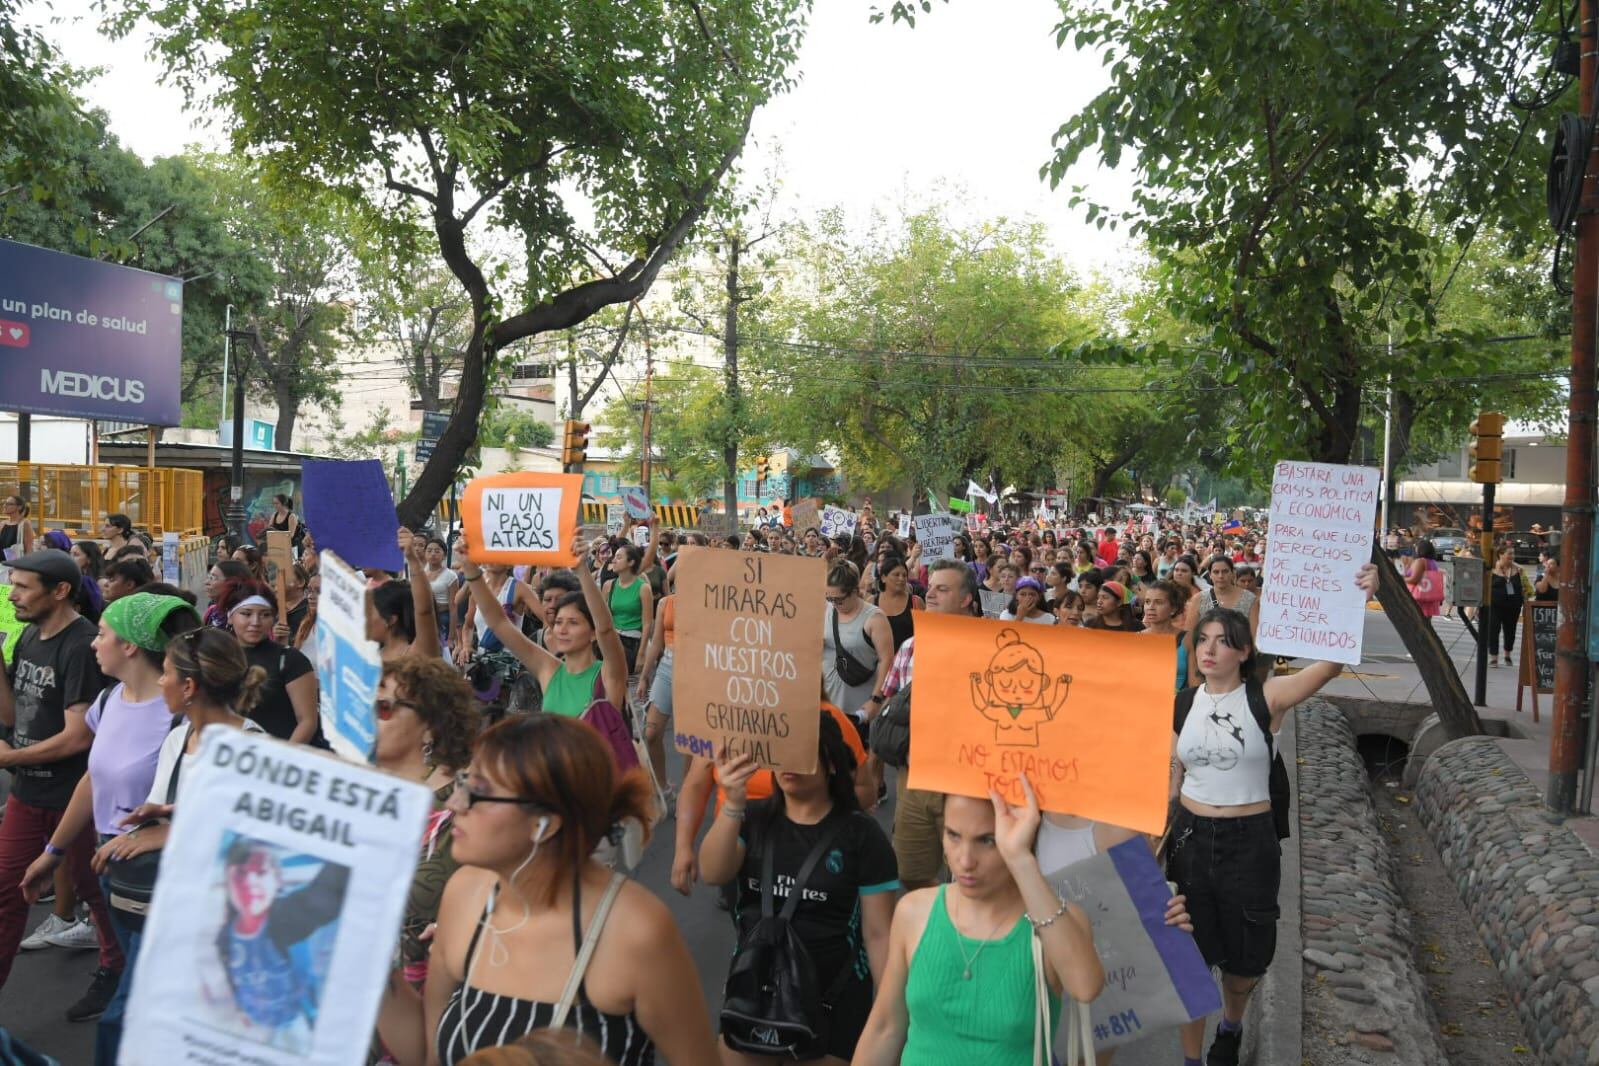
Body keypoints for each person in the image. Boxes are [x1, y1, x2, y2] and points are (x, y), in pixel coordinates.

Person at [377, 715, 718, 1066]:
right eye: (463, 781)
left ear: (544, 824)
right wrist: (370, 953)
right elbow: (428, 1053)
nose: (454, 804)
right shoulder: (464, 895)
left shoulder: (634, 930)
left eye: (479, 791)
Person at [1170, 565, 1379, 1066]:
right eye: (1204, 639)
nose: (1210, 649)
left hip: (1249, 844)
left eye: (1223, 641)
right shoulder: (1181, 705)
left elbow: (1329, 667)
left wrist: (1361, 602)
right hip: (1192, 841)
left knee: (1244, 966)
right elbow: (1172, 775)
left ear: (1245, 651)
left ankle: (1232, 1024)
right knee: (1190, 960)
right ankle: (1190, 1060)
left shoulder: (1268, 698)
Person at [19, 591, 201, 1064]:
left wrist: (149, 833)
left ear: (131, 647)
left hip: (160, 874)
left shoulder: (182, 715)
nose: (93, 643)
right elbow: (93, 780)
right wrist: (53, 853)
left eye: (102, 634)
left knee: (131, 1010)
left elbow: (213, 806)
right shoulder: (108, 699)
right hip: (111, 868)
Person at [852, 781, 1104, 1065]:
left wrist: (1020, 859)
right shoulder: (914, 912)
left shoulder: (1051, 922)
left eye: (987, 840)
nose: (965, 860)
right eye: (953, 835)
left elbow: (1085, 986)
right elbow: (885, 1027)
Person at [701, 715, 898, 1065]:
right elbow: (713, 870)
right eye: (782, 752)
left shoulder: (863, 836)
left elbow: (879, 934)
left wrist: (887, 1020)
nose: (789, 763)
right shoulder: (753, 817)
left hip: (832, 1001)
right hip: (753, 993)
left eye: (802, 753)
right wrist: (732, 803)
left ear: (832, 763)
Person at [0, 550, 122, 1018]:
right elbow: (15, 717)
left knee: (98, 895)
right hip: (27, 795)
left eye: (22, 586)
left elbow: (77, 738)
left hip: (77, 798)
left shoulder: (82, 646)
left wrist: (9, 757)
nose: (13, 594)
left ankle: (116, 972)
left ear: (61, 591)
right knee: (8, 894)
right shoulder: (30, 635)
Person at [373, 656, 479, 1000]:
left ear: (430, 726)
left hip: (438, 995)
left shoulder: (464, 802)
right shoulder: (361, 791)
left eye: (383, 708)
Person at [875, 559, 978, 891]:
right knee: (909, 870)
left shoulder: (991, 648)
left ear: (965, 599)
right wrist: (872, 762)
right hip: (915, 778)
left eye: (942, 589)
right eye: (930, 586)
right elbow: (887, 701)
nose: (930, 594)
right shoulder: (910, 647)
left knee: (969, 877)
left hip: (969, 782)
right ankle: (935, 919)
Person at [461, 534, 628, 723]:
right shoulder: (549, 669)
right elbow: (498, 622)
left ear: (592, 633)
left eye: (573, 622)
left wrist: (582, 570)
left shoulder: (609, 673)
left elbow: (605, 628)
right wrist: (469, 567)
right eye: (558, 622)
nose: (562, 629)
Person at [219, 580, 322, 745]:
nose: (255, 622)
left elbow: (307, 721)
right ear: (230, 616)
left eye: (265, 615)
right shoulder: (218, 658)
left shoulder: (290, 660)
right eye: (246, 614)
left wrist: (282, 760)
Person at [822, 561, 895, 754]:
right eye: (830, 599)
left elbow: (887, 659)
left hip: (859, 708)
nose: (835, 604)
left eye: (839, 599)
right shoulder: (826, 610)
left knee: (856, 761)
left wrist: (875, 700)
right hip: (829, 702)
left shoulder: (874, 618)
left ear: (855, 591)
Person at [1183, 556, 1257, 686]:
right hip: (1206, 663)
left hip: (1237, 667)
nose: (1220, 576)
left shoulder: (1250, 599)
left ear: (1232, 573)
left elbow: (1253, 637)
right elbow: (1189, 637)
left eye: (1225, 571)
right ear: (1210, 575)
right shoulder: (1199, 599)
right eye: (1216, 572)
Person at [600, 542, 653, 676]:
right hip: (613, 641)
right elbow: (602, 617)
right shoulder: (608, 586)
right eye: (614, 557)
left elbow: (647, 623)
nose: (614, 560)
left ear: (631, 562)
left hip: (633, 642)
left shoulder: (643, 588)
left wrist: (641, 654)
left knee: (631, 685)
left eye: (619, 557)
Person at [1141, 579, 1191, 693]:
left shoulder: (1188, 639)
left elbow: (1195, 684)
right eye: (1147, 602)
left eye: (1158, 602)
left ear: (1173, 608)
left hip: (1178, 706)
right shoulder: (1135, 639)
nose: (1151, 607)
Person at [872, 552, 924, 651]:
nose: (901, 578)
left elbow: (925, 636)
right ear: (883, 577)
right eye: (896, 575)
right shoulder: (871, 601)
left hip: (907, 662)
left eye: (904, 575)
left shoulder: (916, 602)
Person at [1489, 544, 1526, 667]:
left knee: (1510, 630)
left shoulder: (1519, 570)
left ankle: (1507, 654)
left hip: (1513, 605)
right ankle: (1494, 657)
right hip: (1495, 605)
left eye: (1512, 553)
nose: (1512, 556)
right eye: (1509, 553)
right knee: (1494, 629)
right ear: (1501, 554)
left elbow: (1525, 588)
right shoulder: (1492, 569)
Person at [421, 537, 459, 648]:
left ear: (445, 555)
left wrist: (451, 637)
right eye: (429, 551)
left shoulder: (451, 576)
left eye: (437, 551)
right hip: (424, 617)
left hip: (442, 619)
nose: (433, 554)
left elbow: (453, 607)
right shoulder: (421, 573)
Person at [1404, 539, 1445, 619]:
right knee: (1426, 622)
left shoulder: (1420, 561)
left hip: (1419, 597)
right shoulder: (1433, 562)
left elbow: (1414, 579)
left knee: (1416, 621)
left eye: (1416, 547)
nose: (1415, 549)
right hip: (1429, 597)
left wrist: (1402, 579)